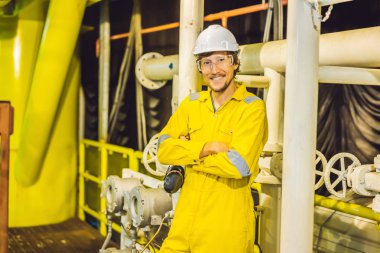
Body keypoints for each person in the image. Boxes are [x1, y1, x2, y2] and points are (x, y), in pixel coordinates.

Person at [157, 24, 268, 253]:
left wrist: (187, 152)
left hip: (225, 229)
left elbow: (239, 165)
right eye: (206, 62)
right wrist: (205, 148)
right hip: (184, 223)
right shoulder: (192, 104)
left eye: (220, 60)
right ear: (200, 68)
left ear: (235, 62)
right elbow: (163, 149)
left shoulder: (252, 109)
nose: (213, 69)